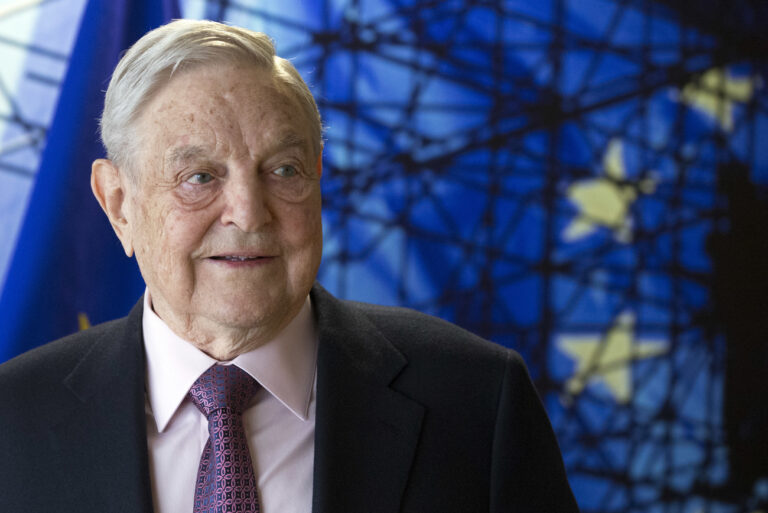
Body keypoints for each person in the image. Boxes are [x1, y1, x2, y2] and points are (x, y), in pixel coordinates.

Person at [0, 19, 579, 513]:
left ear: (318, 178)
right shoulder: (13, 421)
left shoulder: (478, 400)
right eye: (200, 177)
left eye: (283, 170)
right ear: (119, 205)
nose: (250, 214)